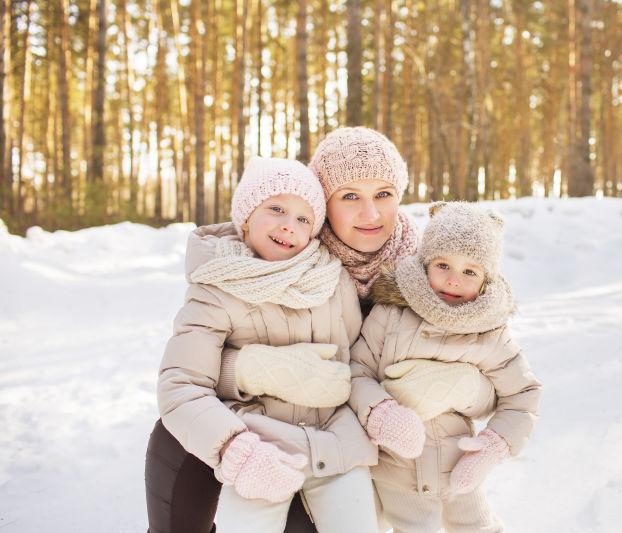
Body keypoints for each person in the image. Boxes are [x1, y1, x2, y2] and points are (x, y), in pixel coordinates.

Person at [145, 127, 494, 532]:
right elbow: (184, 378)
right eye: (350, 196)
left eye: (383, 194)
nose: (371, 214)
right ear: (325, 204)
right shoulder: (288, 261)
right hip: (272, 437)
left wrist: (468, 388)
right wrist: (244, 369)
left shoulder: (435, 273)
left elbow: (501, 366)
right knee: (175, 437)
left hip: (377, 459)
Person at [157, 156, 378, 532]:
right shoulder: (215, 288)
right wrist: (234, 448)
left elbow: (359, 361)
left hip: (335, 445)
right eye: (275, 208)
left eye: (304, 218)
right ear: (246, 216)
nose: (288, 225)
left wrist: (378, 409)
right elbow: (181, 385)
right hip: (260, 447)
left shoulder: (331, 280)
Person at [347, 202, 543, 533]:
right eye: (443, 265)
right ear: (424, 265)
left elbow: (523, 394)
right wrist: (379, 412)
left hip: (459, 465)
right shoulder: (392, 314)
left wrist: (495, 446)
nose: (454, 280)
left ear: (485, 281)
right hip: (396, 470)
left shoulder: (489, 331)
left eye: (470, 271)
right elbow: (356, 372)